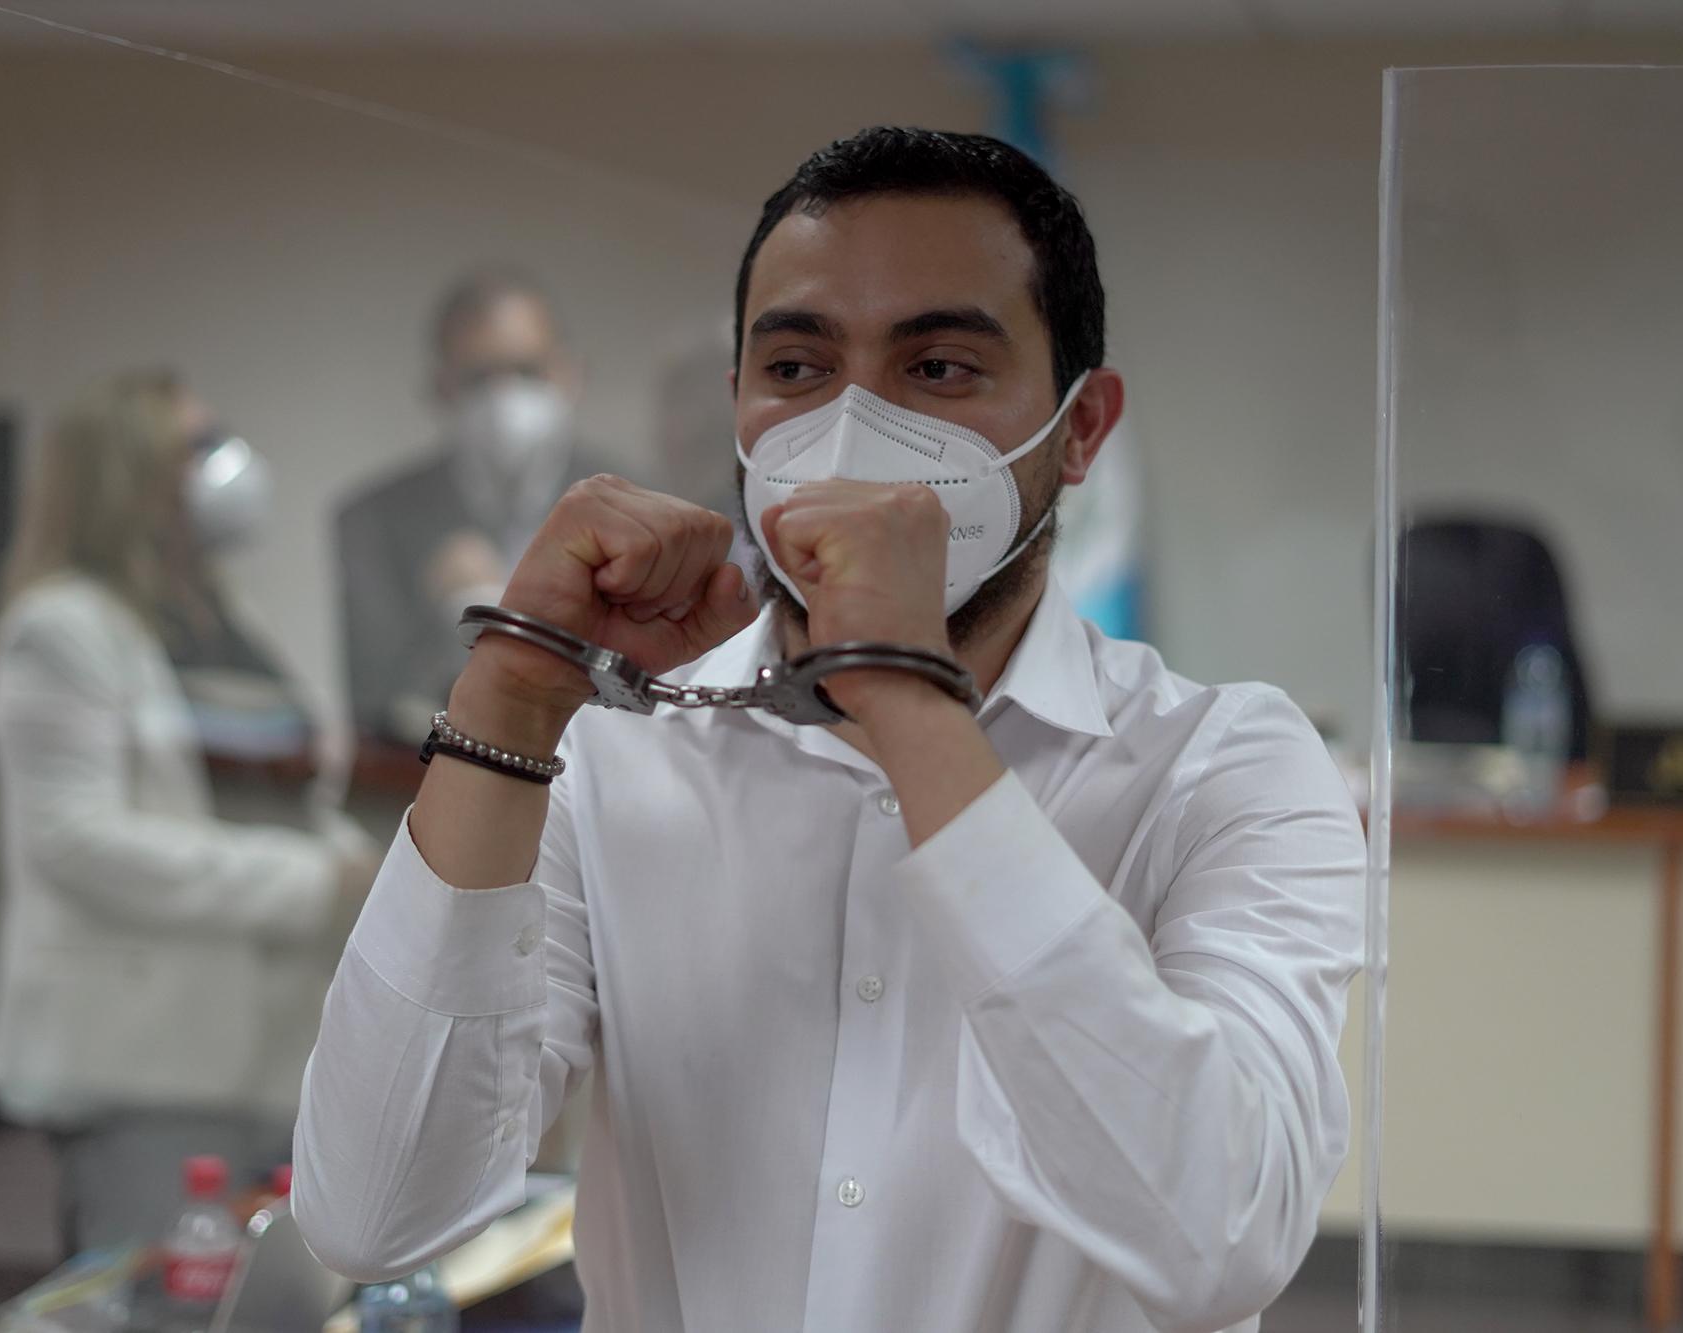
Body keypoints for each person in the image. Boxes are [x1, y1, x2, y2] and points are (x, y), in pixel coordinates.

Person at [296, 129, 1365, 1333]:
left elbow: (1216, 1237)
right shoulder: (615, 757)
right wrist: (509, 694)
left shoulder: (1223, 772)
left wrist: (903, 699)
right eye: (798, 368)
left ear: (1078, 428)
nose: (853, 428)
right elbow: (371, 1213)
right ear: (739, 410)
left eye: (941, 368)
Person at [0, 369, 379, 1250]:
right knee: (162, 1299)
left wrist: (382, 869)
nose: (228, 466)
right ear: (132, 476)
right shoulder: (62, 629)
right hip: (146, 1067)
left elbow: (283, 801)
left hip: (270, 1059)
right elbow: (78, 842)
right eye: (197, 447)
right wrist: (318, 883)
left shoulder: (224, 623)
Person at [337, 272, 622, 744]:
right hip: (428, 793)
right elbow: (376, 713)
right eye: (479, 378)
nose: (505, 398)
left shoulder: (634, 502)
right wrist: (450, 620)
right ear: (440, 387)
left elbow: (656, 690)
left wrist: (495, 612)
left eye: (527, 371)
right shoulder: (373, 519)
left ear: (570, 373)